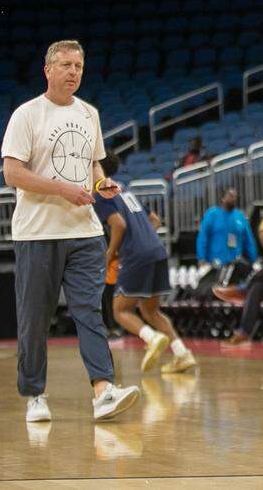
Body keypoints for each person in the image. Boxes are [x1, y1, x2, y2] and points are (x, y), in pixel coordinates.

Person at [1, 40, 140, 422]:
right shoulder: (26, 115)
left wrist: (102, 185)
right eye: (65, 65)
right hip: (37, 234)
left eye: (78, 65)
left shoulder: (89, 114)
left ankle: (103, 391)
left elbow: (93, 168)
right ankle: (34, 395)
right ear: (47, 70)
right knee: (33, 318)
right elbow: (12, 174)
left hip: (84, 232)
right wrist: (62, 189)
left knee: (89, 312)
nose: (73, 72)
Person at [97, 152, 197, 375]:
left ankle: (152, 338)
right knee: (151, 311)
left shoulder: (101, 190)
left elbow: (119, 225)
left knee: (119, 311)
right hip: (156, 250)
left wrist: (111, 253)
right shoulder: (124, 188)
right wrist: (144, 240)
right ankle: (182, 354)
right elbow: (155, 220)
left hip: (136, 255)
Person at [196, 187, 258, 274]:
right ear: (223, 198)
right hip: (214, 265)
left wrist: (254, 259)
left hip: (234, 265)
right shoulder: (212, 214)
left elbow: (248, 240)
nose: (233, 198)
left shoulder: (240, 216)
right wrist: (201, 258)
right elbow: (203, 237)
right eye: (230, 196)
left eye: (235, 196)